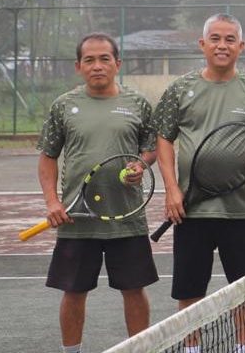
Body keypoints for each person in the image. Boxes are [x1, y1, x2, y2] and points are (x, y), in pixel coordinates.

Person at [152, 14, 245, 350]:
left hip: (241, 211)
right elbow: (163, 138)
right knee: (190, 289)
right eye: (215, 39)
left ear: (241, 46)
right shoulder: (181, 89)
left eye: (229, 39)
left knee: (244, 288)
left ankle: (243, 347)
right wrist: (171, 189)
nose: (222, 46)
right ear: (203, 44)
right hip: (191, 212)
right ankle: (192, 348)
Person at [36, 33, 158, 353]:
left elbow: (150, 148)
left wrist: (141, 166)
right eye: (89, 60)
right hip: (76, 221)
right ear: (78, 66)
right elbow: (47, 157)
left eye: (105, 59)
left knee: (134, 289)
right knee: (74, 292)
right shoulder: (63, 105)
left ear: (117, 64)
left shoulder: (138, 104)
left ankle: (139, 349)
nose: (97, 66)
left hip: (127, 218)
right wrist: (52, 201)